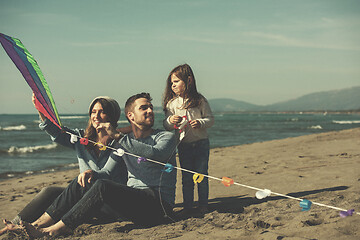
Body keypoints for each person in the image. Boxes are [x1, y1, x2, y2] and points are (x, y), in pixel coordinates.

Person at [21, 92, 177, 237]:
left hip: (159, 205)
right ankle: (34, 225)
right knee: (79, 181)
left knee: (103, 185)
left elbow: (155, 153)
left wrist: (117, 135)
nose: (150, 110)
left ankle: (59, 228)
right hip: (131, 205)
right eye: (144, 107)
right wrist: (92, 173)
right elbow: (107, 171)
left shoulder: (165, 137)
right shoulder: (122, 142)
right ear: (130, 115)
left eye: (150, 107)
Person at [0, 95, 128, 235]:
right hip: (82, 199)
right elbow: (56, 131)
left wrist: (91, 173)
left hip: (107, 203)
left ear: (112, 116)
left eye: (102, 111)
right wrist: (41, 109)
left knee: (82, 182)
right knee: (50, 192)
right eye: (93, 111)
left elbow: (107, 173)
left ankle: (36, 226)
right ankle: (12, 225)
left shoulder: (120, 142)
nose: (96, 116)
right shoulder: (81, 138)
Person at [163, 64, 214, 215]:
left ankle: (203, 205)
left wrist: (200, 122)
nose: (173, 85)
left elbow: (210, 119)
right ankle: (188, 206)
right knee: (186, 177)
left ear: (189, 80)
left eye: (176, 81)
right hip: (183, 145)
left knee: (201, 175)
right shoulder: (171, 104)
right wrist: (171, 120)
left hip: (201, 143)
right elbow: (165, 124)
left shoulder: (199, 100)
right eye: (171, 83)